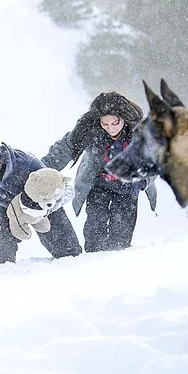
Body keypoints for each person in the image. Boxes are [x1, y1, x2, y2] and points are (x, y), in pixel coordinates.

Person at [41, 91, 157, 253]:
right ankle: (92, 265)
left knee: (119, 241)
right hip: (99, 186)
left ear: (124, 118)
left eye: (115, 123)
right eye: (105, 124)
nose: (110, 128)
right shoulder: (89, 130)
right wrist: (41, 168)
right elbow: (63, 149)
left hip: (128, 188)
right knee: (94, 234)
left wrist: (142, 182)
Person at [0, 138, 82, 268]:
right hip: (10, 204)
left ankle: (73, 266)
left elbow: (63, 190)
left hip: (42, 200)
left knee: (69, 253)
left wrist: (45, 208)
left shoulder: (26, 163)